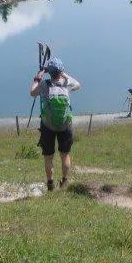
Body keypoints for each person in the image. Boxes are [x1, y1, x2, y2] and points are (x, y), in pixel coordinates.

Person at [29, 56, 81, 191]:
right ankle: (64, 181)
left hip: (48, 126)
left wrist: (38, 77)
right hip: (65, 125)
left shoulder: (44, 85)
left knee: (48, 157)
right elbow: (78, 85)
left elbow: (32, 92)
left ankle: (50, 183)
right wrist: (64, 74)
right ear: (61, 71)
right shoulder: (67, 84)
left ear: (49, 72)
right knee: (65, 155)